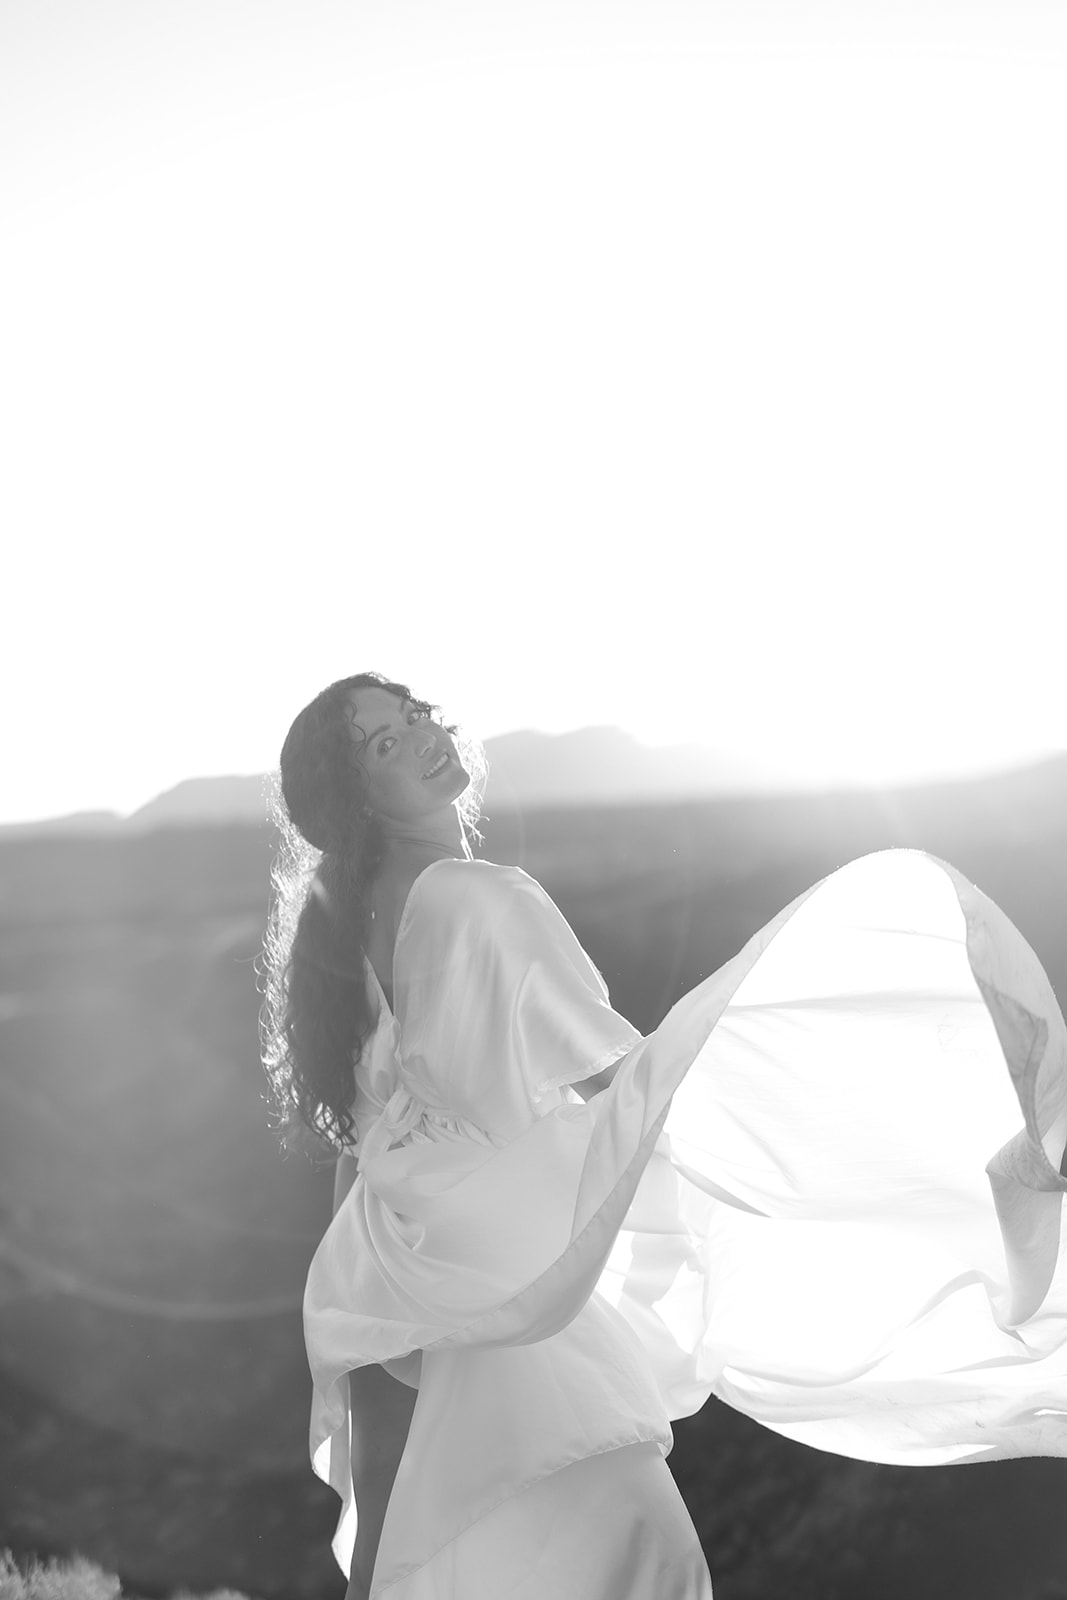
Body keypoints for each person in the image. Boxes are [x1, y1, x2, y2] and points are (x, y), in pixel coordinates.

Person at [262, 671, 1067, 1599]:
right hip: (510, 1263)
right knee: (639, 1552)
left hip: (399, 1248)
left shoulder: (342, 938)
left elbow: (367, 1140)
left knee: (439, 1533)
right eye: (383, 744)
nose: (420, 738)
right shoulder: (480, 898)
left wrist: (356, 1278)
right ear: (356, 794)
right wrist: (802, 1126)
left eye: (412, 717)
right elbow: (612, 1072)